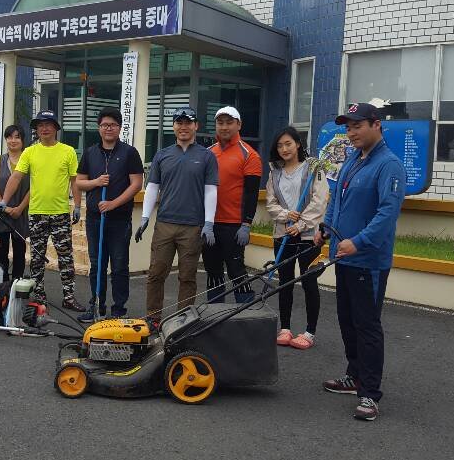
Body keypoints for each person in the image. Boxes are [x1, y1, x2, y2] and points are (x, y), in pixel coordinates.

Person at [315, 102, 406, 422]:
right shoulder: (354, 158)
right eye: (347, 127)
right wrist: (326, 227)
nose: (350, 133)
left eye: (356, 126)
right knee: (348, 321)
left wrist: (360, 241)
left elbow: (387, 214)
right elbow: (336, 196)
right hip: (344, 257)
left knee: (367, 326)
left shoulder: (389, 165)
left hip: (368, 261)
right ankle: (354, 376)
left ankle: (370, 393)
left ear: (375, 125)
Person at [137, 106, 218, 326]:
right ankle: (153, 318)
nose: (183, 127)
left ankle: (182, 320)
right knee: (156, 273)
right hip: (164, 224)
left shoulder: (206, 156)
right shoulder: (162, 155)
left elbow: (211, 190)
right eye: (179, 123)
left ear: (196, 126)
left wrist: (209, 222)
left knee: (187, 276)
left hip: (192, 226)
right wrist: (145, 217)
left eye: (188, 123)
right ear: (173, 126)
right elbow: (152, 187)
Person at [0, 110, 85, 311]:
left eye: (48, 124)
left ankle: (69, 297)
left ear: (56, 128)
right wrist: (4, 200)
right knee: (37, 258)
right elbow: (16, 177)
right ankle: (39, 297)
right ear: (36, 129)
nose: (44, 128)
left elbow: (75, 182)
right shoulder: (30, 152)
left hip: (60, 213)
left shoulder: (68, 151)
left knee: (66, 258)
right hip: (36, 214)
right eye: (40, 125)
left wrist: (78, 206)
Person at [75, 107, 144, 322]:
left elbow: (136, 184)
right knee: (97, 264)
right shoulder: (90, 153)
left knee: (120, 264)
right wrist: (96, 182)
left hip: (119, 219)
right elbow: (79, 182)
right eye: (104, 125)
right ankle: (96, 305)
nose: (108, 128)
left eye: (113, 125)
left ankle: (118, 309)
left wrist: (113, 203)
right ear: (99, 128)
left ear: (119, 128)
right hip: (96, 219)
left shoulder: (129, 153)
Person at [265, 126, 328, 349]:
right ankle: (285, 328)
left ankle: (309, 332)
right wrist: (285, 215)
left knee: (309, 282)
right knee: (284, 282)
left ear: (298, 144)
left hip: (309, 236)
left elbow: (320, 200)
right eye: (280, 145)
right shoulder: (275, 172)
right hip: (283, 234)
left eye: (288, 144)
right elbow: (271, 203)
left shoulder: (313, 168)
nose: (284, 149)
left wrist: (300, 224)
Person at [204, 106, 262, 305]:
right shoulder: (208, 153)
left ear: (239, 125)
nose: (225, 127)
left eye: (229, 122)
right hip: (209, 224)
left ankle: (247, 314)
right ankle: (214, 316)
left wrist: (246, 224)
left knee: (237, 272)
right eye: (220, 123)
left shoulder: (250, 155)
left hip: (234, 225)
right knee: (213, 272)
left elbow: (252, 193)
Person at [0, 124, 30, 280]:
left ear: (23, 140)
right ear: (6, 139)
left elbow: (33, 188)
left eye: (17, 137)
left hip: (21, 212)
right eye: (10, 137)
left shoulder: (29, 160)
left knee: (20, 251)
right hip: (1, 214)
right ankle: (1, 284)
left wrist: (19, 208)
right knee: (1, 251)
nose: (13, 140)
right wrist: (3, 207)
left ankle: (17, 284)